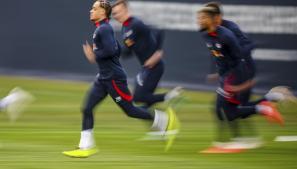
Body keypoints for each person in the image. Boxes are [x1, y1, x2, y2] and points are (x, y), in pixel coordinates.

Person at [62, 0, 179, 158]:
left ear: (103, 13)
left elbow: (110, 50)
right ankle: (86, 147)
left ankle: (162, 119)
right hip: (103, 78)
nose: (91, 11)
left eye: (94, 8)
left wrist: (94, 55)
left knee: (130, 110)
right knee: (87, 108)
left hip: (113, 79)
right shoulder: (102, 29)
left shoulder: (104, 29)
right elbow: (117, 49)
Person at [197, 6, 285, 153]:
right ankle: (265, 104)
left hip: (235, 75)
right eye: (199, 18)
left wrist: (241, 83)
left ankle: (226, 142)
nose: (199, 20)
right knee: (225, 111)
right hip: (226, 76)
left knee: (224, 109)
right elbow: (217, 55)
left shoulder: (226, 34)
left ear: (214, 19)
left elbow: (240, 59)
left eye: (203, 17)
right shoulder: (206, 34)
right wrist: (217, 73)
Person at [112, 0, 182, 110]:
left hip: (155, 66)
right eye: (114, 14)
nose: (115, 16)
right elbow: (128, 51)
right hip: (147, 67)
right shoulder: (125, 28)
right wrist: (115, 52)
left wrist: (158, 51)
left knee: (139, 97)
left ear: (125, 10)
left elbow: (159, 31)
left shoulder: (136, 23)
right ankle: (159, 116)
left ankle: (169, 96)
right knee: (143, 103)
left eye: (117, 12)